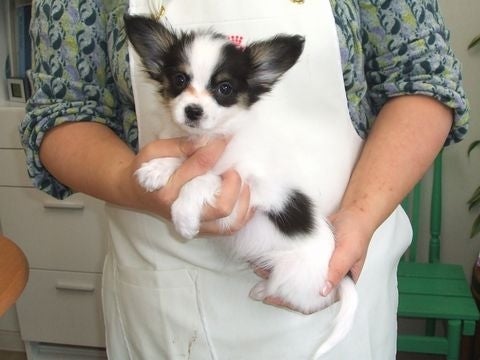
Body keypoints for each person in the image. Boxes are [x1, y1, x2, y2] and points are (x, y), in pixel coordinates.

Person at [20, 0, 469, 359]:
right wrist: (131, 180)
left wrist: (361, 215)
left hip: (332, 270)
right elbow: (62, 112)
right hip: (169, 303)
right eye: (180, 80)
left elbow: (423, 78)